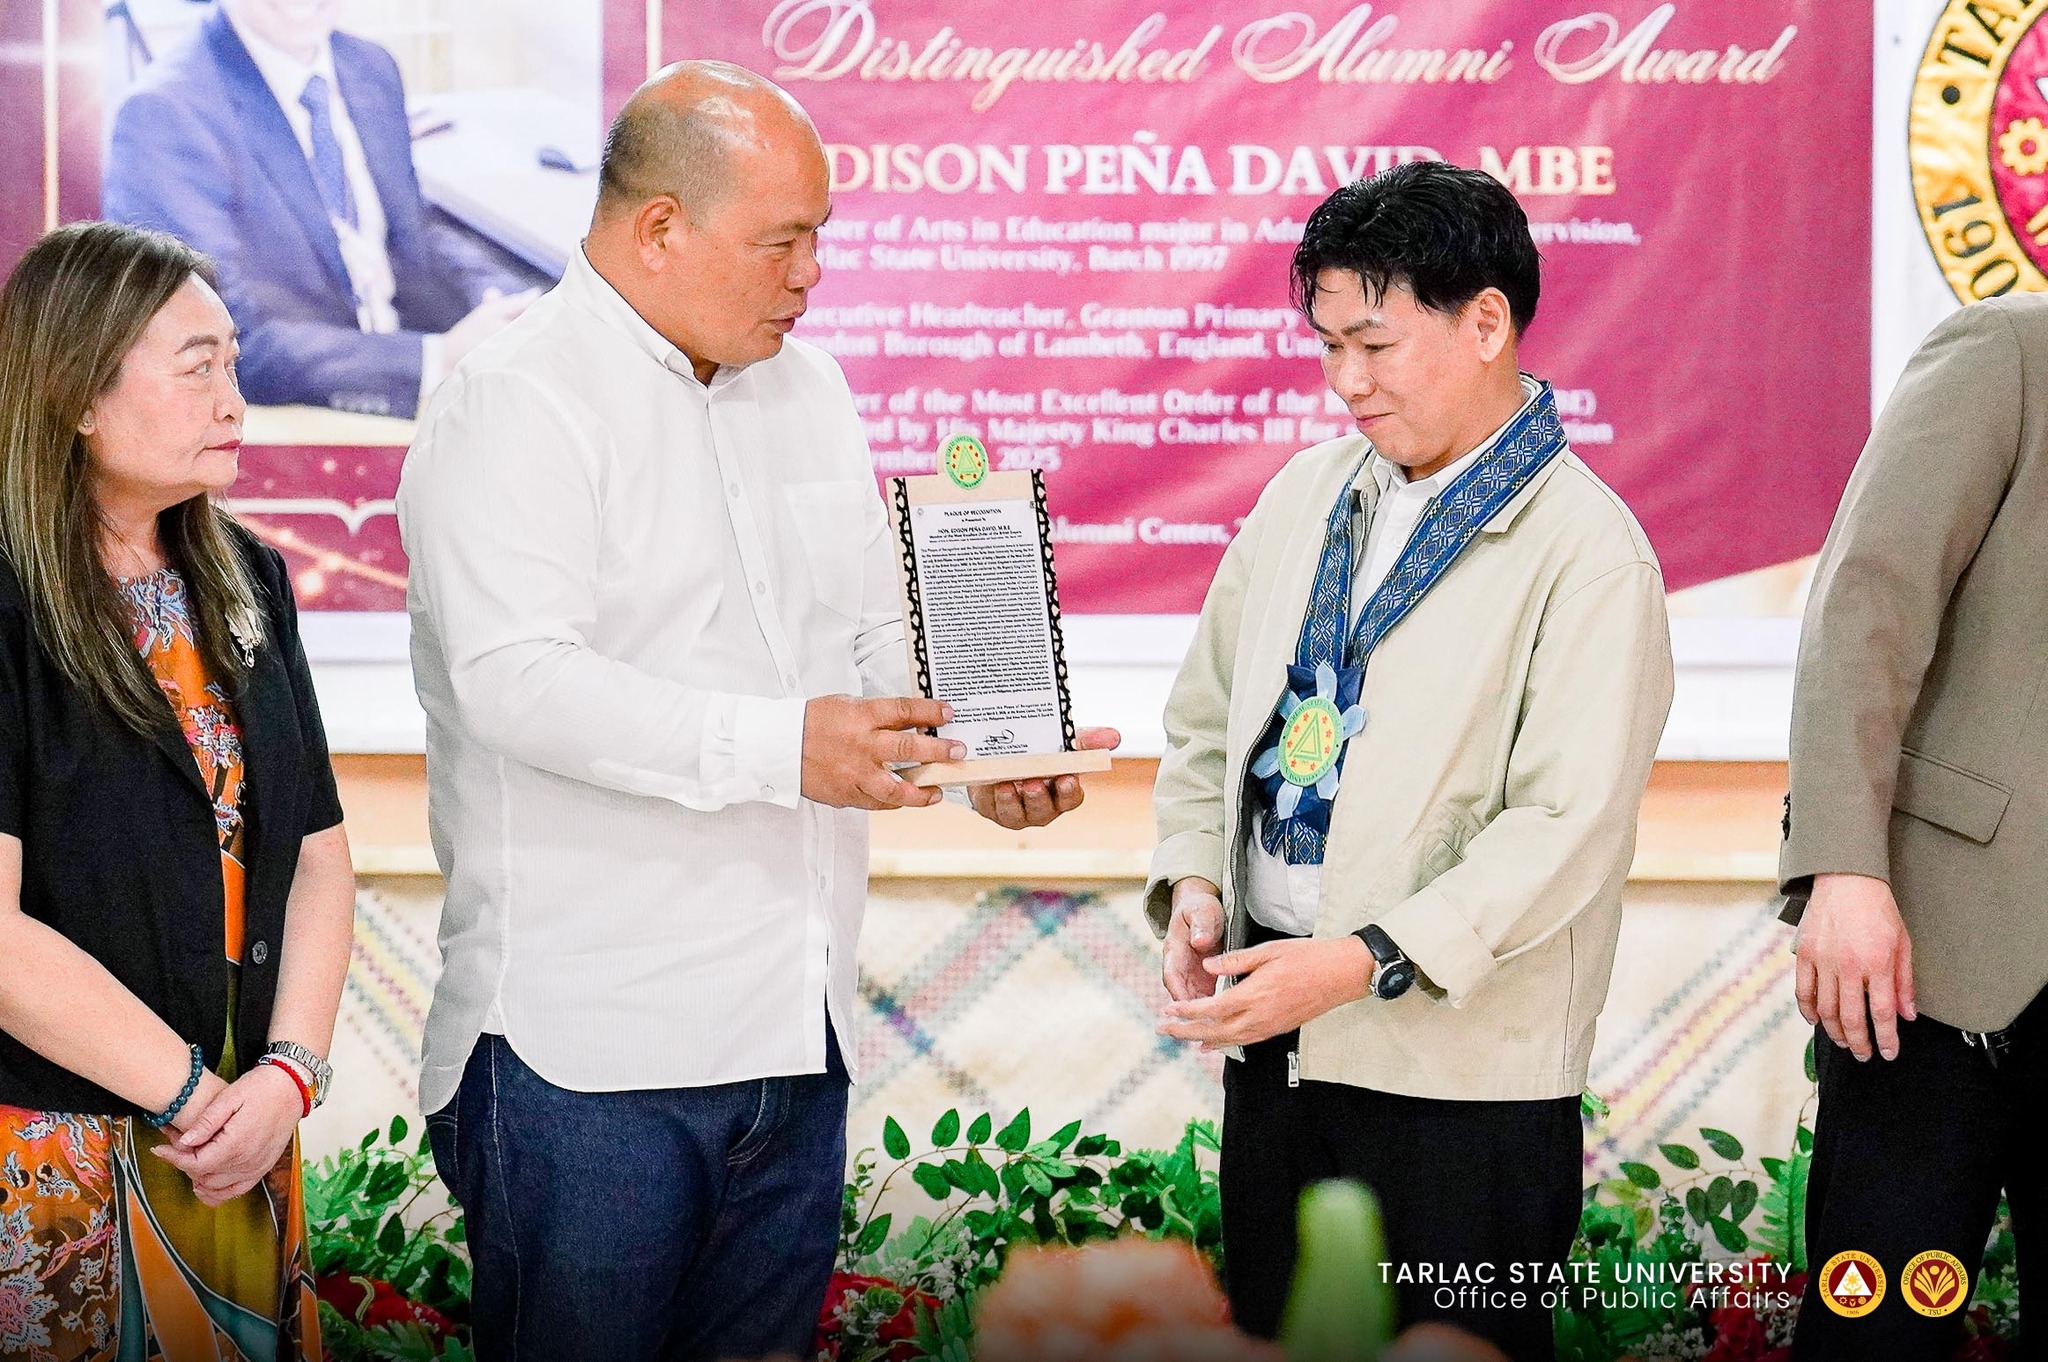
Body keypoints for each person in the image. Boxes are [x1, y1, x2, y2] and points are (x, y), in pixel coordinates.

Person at [396, 60, 1116, 1361]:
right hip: (591, 1056)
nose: (811, 275)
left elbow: (866, 641)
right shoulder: (515, 399)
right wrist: (787, 746)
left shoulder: (811, 392)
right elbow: (518, 681)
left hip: (795, 1035)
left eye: (819, 238)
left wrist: (984, 758)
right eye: (782, 242)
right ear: (659, 228)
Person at [1149, 162, 1674, 1361]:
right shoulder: (1302, 494)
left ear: (1484, 322)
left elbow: (1564, 830)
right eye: (1328, 346)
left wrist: (1356, 961)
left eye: (1374, 345)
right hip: (1278, 1044)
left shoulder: (1589, 553)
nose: (1346, 382)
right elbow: (1208, 713)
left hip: (1461, 1091)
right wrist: (1194, 879)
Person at [0, 222, 355, 1360]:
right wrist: (198, 1103)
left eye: (234, 364)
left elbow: (316, 857)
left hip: (241, 1137)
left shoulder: (246, 576)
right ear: (75, 396)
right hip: (58, 1156)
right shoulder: (10, 599)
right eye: (197, 368)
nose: (234, 403)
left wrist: (289, 1075)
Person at [1779, 293, 2048, 1359]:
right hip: (1942, 962)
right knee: (1877, 1330)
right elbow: (1865, 610)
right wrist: (1842, 868)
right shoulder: (2010, 351)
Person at [102, 0, 541, 418]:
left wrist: (503, 300)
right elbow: (225, 342)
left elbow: (415, 236)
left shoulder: (370, 67)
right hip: (308, 416)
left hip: (423, 377)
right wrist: (435, 358)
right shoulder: (162, 114)